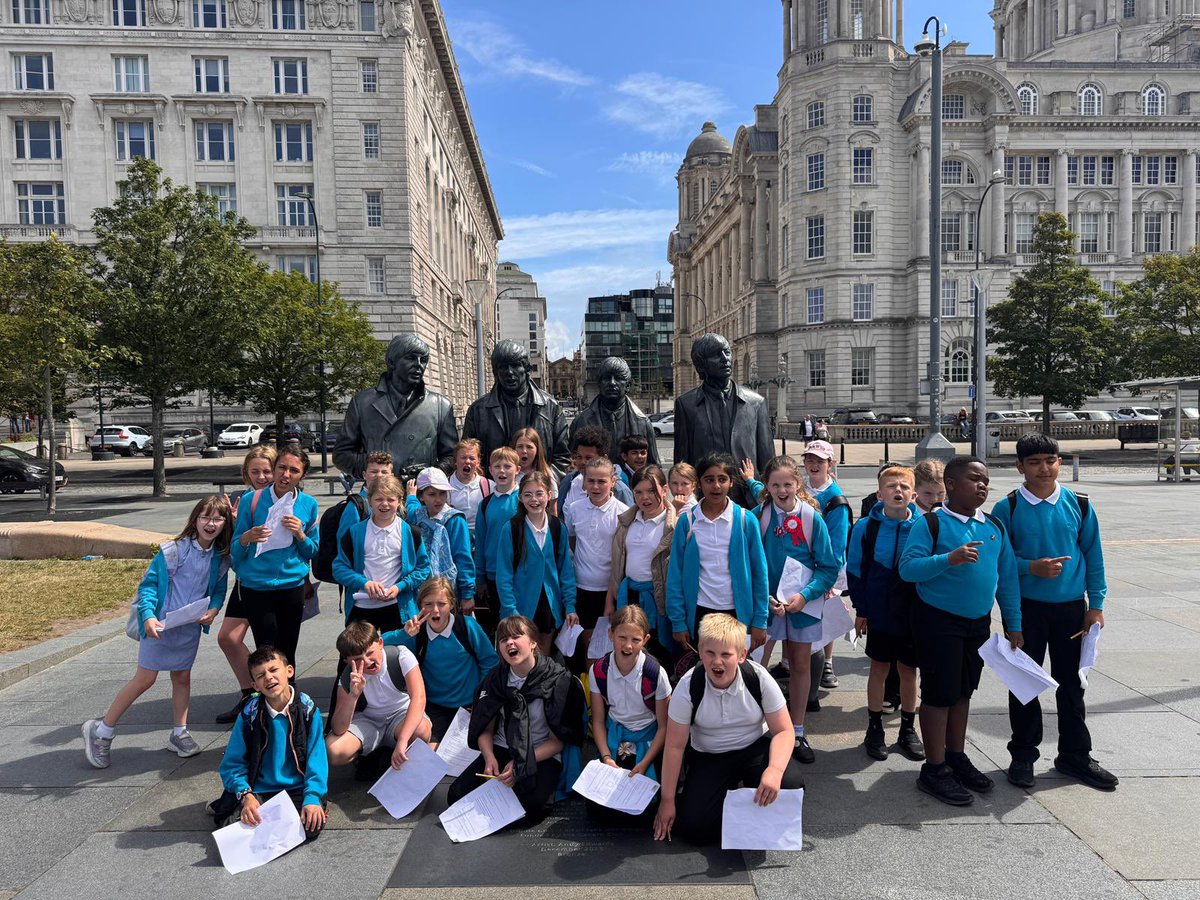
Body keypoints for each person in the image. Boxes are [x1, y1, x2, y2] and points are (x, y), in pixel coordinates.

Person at [991, 433, 1116, 791]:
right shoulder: (1008, 508)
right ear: (1020, 467)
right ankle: (1023, 755)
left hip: (1072, 611)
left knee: (1072, 684)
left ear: (1060, 462)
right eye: (1034, 462)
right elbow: (1001, 567)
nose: (1044, 468)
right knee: (1024, 685)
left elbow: (1094, 556)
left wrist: (1097, 606)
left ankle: (1074, 755)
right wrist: (1031, 570)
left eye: (1050, 460)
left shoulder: (1079, 503)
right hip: (1028, 611)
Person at [899, 455, 1022, 806]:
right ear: (950, 485)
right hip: (938, 621)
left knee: (964, 690)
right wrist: (948, 559)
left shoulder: (994, 526)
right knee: (939, 694)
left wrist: (1014, 623)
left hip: (977, 624)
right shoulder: (932, 523)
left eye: (985, 480)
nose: (982, 486)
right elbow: (908, 569)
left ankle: (956, 756)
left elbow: (1007, 578)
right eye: (973, 479)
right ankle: (934, 768)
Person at [83, 496, 233, 768]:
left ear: (225, 523)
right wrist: (149, 617)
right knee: (145, 679)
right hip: (160, 626)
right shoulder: (173, 551)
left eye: (217, 519)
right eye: (205, 517)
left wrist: (213, 609)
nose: (210, 524)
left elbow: (218, 590)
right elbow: (149, 586)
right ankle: (102, 730)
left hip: (188, 627)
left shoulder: (220, 559)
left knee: (182, 677)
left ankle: (179, 732)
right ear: (195, 519)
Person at [653, 614, 804, 845]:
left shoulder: (759, 678)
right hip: (709, 755)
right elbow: (674, 746)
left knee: (788, 784)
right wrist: (667, 800)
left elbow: (784, 731)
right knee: (694, 828)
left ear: (742, 655)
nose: (717, 662)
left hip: (753, 748)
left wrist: (773, 770)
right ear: (700, 651)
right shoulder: (688, 686)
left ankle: (745, 794)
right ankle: (727, 798)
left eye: (726, 655)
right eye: (710, 653)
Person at [447, 615, 586, 817]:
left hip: (539, 751)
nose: (509, 642)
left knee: (535, 804)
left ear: (532, 643)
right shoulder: (496, 679)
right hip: (503, 747)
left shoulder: (558, 680)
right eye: (503, 639)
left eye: (516, 636)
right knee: (456, 795)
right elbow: (485, 728)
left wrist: (523, 762)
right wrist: (489, 758)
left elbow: (558, 741)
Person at [753, 456, 840, 764]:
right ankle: (757, 727)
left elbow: (828, 567)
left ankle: (797, 728)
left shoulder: (811, 518)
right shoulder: (758, 517)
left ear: (798, 484)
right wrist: (764, 597)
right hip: (766, 606)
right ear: (766, 487)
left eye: (787, 483)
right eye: (774, 484)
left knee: (800, 663)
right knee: (756, 664)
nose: (781, 490)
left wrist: (805, 596)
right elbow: (749, 563)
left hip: (802, 605)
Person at [847, 466, 925, 763]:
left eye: (904, 487)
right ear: (880, 494)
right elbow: (855, 570)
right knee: (879, 668)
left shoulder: (922, 525)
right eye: (891, 486)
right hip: (879, 610)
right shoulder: (866, 527)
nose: (898, 491)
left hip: (911, 611)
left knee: (909, 671)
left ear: (914, 495)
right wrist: (861, 609)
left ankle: (907, 728)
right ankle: (875, 726)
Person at [210, 645, 328, 842]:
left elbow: (318, 759)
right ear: (255, 685)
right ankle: (231, 801)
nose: (269, 678)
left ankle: (316, 804)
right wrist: (247, 794)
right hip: (259, 789)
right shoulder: (249, 714)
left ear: (289, 671)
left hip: (296, 788)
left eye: (274, 670)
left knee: (310, 827)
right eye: (260, 675)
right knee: (234, 827)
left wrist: (313, 797)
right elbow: (232, 763)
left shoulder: (308, 710)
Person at [665, 453, 770, 653]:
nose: (716, 486)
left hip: (736, 611)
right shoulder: (688, 522)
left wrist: (760, 620)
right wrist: (678, 621)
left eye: (722, 479)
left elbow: (759, 573)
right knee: (704, 669)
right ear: (699, 483)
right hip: (700, 610)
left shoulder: (744, 520)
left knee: (734, 669)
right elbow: (675, 575)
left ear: (731, 483)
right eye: (709, 479)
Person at [230, 447, 320, 676]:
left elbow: (312, 551)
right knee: (266, 649)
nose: (286, 474)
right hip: (256, 587)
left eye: (294, 470)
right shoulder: (252, 500)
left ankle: (289, 697)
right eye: (282, 467)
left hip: (291, 586)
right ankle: (267, 700)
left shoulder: (308, 504)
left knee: (288, 648)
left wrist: (300, 535)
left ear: (303, 475)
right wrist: (247, 538)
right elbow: (234, 549)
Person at [383, 578, 499, 742]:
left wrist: (480, 698)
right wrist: (404, 633)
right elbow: (376, 643)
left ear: (452, 604)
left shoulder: (467, 626)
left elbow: (490, 662)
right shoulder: (417, 633)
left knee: (470, 756)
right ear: (420, 606)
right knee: (433, 756)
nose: (435, 610)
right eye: (428, 604)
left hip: (469, 705)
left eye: (441, 604)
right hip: (434, 707)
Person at [333, 333, 458, 479]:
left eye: (423, 360)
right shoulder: (362, 403)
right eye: (411, 358)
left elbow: (452, 456)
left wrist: (429, 477)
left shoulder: (441, 406)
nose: (419, 365)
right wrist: (374, 467)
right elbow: (341, 455)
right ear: (391, 362)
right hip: (379, 495)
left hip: (421, 496)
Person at [588, 606, 671, 822]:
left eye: (635, 639)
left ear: (646, 640)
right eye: (621, 637)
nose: (627, 645)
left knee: (645, 809)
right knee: (597, 810)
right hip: (616, 735)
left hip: (650, 738)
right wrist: (606, 757)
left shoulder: (655, 674)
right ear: (610, 635)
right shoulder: (599, 670)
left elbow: (664, 726)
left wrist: (644, 763)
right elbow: (597, 720)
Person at [325, 621, 433, 778]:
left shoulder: (400, 655)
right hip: (368, 720)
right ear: (347, 661)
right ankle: (373, 753)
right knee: (334, 751)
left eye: (370, 653)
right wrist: (353, 696)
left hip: (401, 715)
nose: (367, 662)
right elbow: (338, 728)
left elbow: (419, 698)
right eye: (358, 659)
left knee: (420, 731)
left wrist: (403, 740)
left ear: (380, 643)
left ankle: (392, 751)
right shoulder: (347, 677)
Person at [216, 447, 276, 724]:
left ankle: (271, 696)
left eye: (267, 470)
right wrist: (230, 522)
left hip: (272, 584)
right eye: (255, 471)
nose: (262, 476)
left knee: (271, 645)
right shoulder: (241, 500)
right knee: (228, 637)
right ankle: (251, 693)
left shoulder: (280, 500)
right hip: (244, 580)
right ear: (246, 473)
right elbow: (225, 549)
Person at [495, 471, 579, 656]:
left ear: (549, 495)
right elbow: (504, 575)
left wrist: (570, 605)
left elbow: (565, 570)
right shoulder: (511, 529)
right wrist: (511, 610)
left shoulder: (558, 528)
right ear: (520, 498)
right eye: (528, 494)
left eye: (539, 493)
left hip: (550, 603)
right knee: (522, 654)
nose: (534, 499)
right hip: (521, 605)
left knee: (544, 654)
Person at [333, 474, 430, 631]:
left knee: (398, 653)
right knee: (357, 654)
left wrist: (400, 586)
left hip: (398, 606)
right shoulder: (355, 532)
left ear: (400, 501)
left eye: (390, 499)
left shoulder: (411, 532)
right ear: (369, 500)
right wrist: (364, 582)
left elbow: (423, 568)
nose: (384, 504)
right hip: (362, 606)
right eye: (379, 499)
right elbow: (339, 568)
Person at [462, 340, 571, 472]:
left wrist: (542, 485)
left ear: (526, 368)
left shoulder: (550, 407)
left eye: (515, 365)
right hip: (494, 489)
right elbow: (468, 456)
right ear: (496, 372)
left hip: (538, 489)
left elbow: (563, 458)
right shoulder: (478, 410)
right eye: (503, 367)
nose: (509, 372)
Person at [672, 333, 773, 474]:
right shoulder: (686, 405)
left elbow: (768, 460)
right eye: (716, 355)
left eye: (726, 352)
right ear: (701, 365)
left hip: (748, 492)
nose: (725, 359)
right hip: (705, 492)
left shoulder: (756, 402)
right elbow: (682, 465)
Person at [610, 465, 677, 659]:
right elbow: (616, 564)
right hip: (629, 595)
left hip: (658, 598)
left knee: (657, 651)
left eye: (651, 491)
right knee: (629, 650)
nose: (645, 498)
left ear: (664, 490)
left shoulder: (675, 525)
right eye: (638, 492)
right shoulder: (626, 521)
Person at [568, 457, 629, 663]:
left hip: (608, 591)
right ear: (584, 481)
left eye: (601, 481)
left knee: (605, 647)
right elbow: (573, 541)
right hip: (581, 588)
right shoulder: (575, 508)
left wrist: (611, 598)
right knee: (585, 645)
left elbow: (621, 558)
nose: (595, 486)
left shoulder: (622, 512)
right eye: (590, 480)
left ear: (613, 481)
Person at [803, 439, 851, 696]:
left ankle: (827, 663)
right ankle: (794, 661)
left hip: (827, 566)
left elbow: (838, 540)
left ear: (830, 464)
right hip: (803, 563)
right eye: (809, 460)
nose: (813, 465)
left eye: (819, 461)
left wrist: (829, 573)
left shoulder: (835, 499)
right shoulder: (800, 488)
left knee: (826, 614)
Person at [568, 355, 660, 467]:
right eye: (607, 378)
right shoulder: (580, 422)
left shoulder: (643, 423)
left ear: (627, 385)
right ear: (599, 383)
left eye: (618, 378)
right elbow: (572, 464)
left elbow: (654, 466)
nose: (612, 383)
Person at [405, 466, 474, 611]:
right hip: (420, 589)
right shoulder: (417, 515)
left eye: (442, 493)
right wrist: (410, 496)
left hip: (447, 590)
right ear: (421, 496)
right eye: (432, 494)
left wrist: (467, 594)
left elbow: (463, 557)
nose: (438, 499)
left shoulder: (454, 519)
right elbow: (411, 507)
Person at [473, 446, 522, 635]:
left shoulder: (523, 501)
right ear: (490, 470)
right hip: (493, 575)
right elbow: (481, 540)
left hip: (520, 573)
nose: (502, 471)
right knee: (499, 627)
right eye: (497, 466)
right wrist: (480, 578)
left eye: (507, 466)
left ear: (517, 470)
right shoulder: (485, 504)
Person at [557, 425, 634, 520]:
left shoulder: (620, 490)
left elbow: (631, 524)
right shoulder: (569, 481)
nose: (582, 462)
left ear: (604, 458)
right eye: (579, 457)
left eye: (588, 458)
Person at [337, 451, 394, 541]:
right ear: (364, 475)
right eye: (374, 472)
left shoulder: (396, 503)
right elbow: (344, 541)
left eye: (384, 472)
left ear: (391, 476)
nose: (379, 475)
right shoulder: (357, 506)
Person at [512, 426, 559, 516]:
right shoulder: (509, 475)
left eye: (529, 447)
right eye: (520, 446)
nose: (524, 451)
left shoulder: (546, 474)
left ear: (537, 450)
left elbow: (553, 511)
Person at [448, 438, 491, 535]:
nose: (467, 461)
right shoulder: (446, 485)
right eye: (463, 457)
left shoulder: (489, 486)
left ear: (478, 462)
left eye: (472, 458)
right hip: (455, 536)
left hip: (481, 536)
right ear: (455, 461)